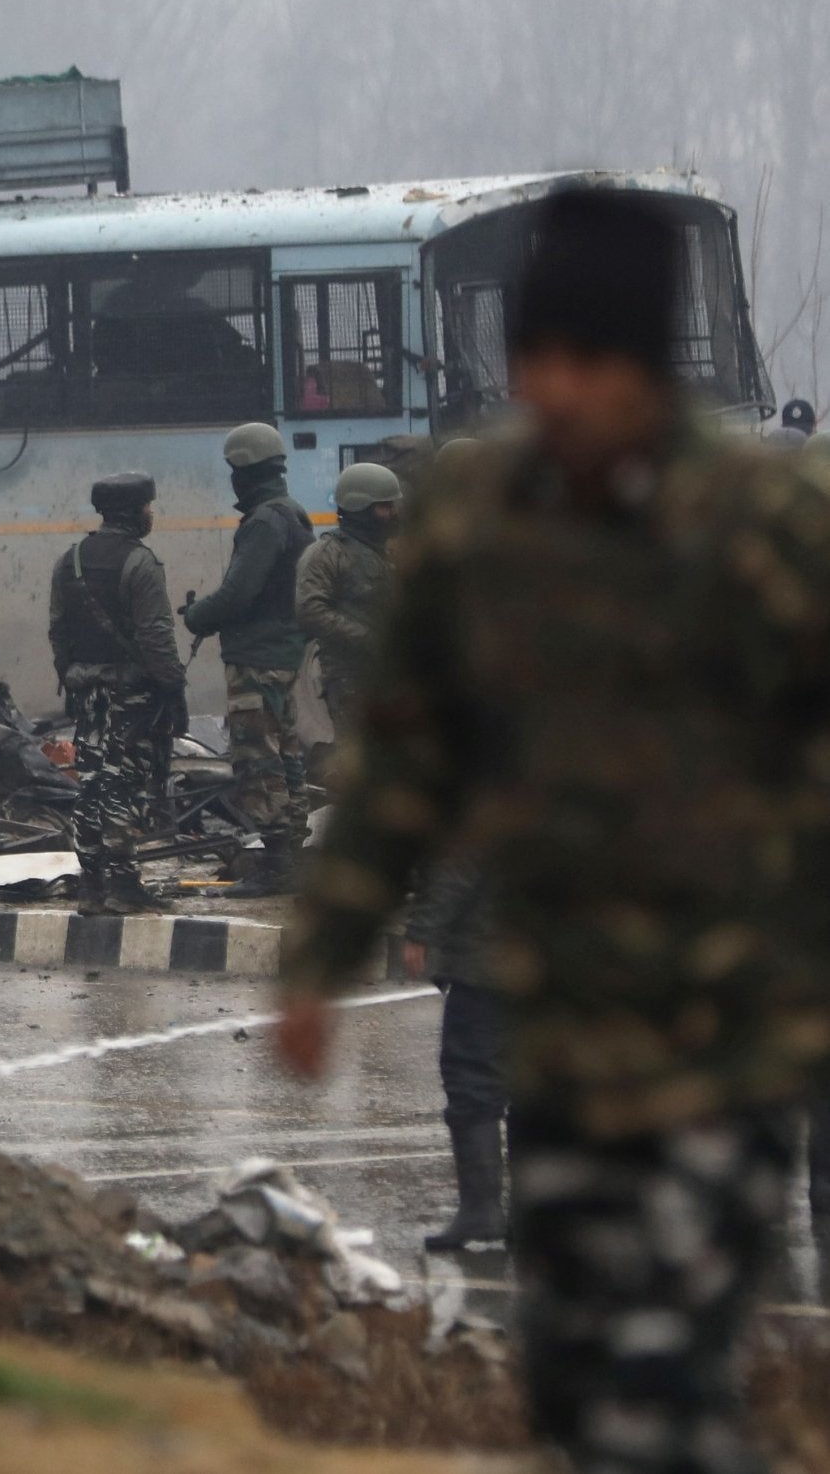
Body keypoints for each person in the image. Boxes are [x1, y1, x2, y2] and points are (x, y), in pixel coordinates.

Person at [279, 186, 830, 1474]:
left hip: (733, 1022)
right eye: (537, 363)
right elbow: (407, 750)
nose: (559, 393)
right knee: (579, 1361)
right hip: (566, 1019)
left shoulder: (767, 520)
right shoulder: (478, 515)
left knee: (689, 1342)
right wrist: (324, 950)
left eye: (590, 363)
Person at [179, 422, 315, 896]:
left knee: (258, 761)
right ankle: (292, 859)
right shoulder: (293, 514)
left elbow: (237, 594)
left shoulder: (263, 522)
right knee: (286, 759)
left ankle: (278, 866)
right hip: (283, 654)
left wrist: (196, 615)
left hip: (257, 657)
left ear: (244, 471)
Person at [48, 471, 185, 912]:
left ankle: (92, 883)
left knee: (90, 783)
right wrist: (173, 687)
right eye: (148, 505)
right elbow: (156, 635)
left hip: (88, 691)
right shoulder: (140, 563)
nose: (152, 512)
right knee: (124, 783)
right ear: (134, 511)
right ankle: (124, 886)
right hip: (132, 695)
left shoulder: (71, 561)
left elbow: (58, 631)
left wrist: (70, 677)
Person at [400, 859, 507, 1251]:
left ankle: (482, 1210)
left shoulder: (481, 801)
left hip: (488, 958)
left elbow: (457, 868)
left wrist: (422, 930)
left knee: (471, 1076)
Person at [294, 461, 401, 744]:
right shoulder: (327, 553)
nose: (393, 513)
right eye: (384, 507)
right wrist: (366, 637)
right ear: (360, 508)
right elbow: (310, 610)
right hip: (351, 679)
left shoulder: (387, 552)